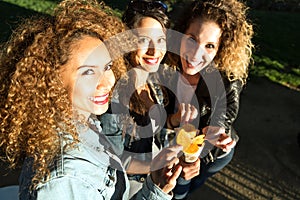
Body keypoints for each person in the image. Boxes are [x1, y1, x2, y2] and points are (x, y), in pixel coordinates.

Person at [0, 0, 183, 199]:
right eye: (88, 72)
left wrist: (156, 186)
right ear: (52, 79)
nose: (107, 82)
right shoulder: (65, 178)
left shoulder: (83, 119)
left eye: (107, 67)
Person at [99, 0, 200, 198]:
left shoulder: (154, 81)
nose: (155, 51)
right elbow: (111, 158)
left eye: (160, 40)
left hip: (154, 182)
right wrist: (159, 163)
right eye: (144, 40)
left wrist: (174, 121)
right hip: (125, 189)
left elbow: (156, 131)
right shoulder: (113, 94)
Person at [163, 0, 254, 199]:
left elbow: (223, 115)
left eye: (210, 46)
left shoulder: (227, 82)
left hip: (212, 156)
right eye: (192, 39)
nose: (196, 54)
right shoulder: (163, 66)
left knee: (188, 187)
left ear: (221, 50)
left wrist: (211, 136)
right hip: (172, 147)